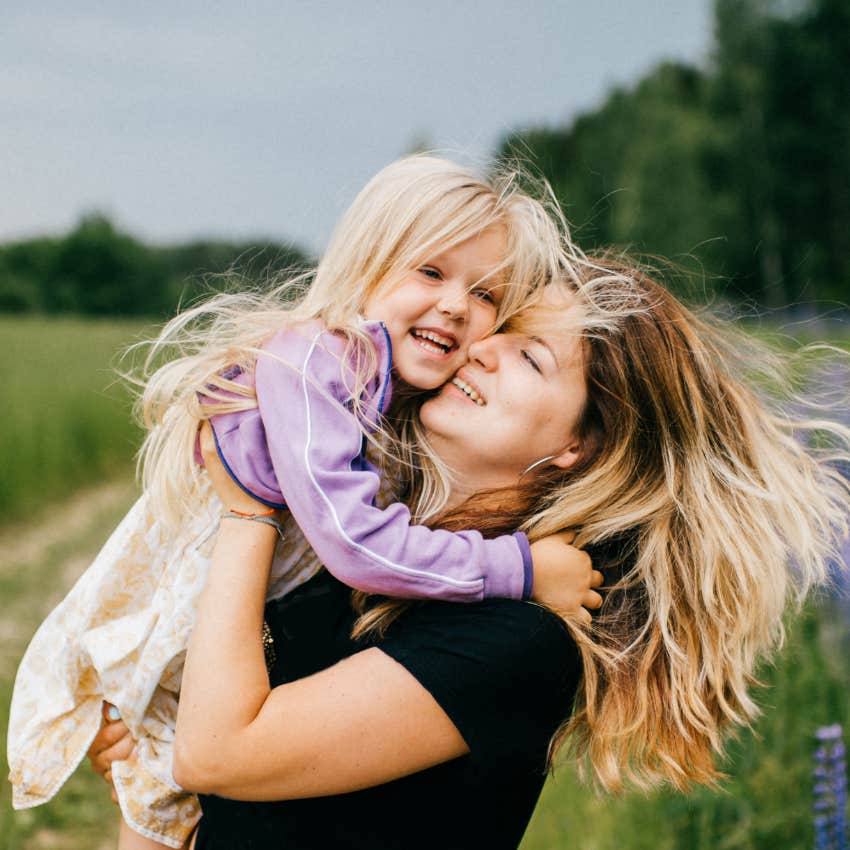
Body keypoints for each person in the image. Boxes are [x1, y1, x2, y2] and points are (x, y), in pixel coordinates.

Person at [89, 254, 850, 849]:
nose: (482, 353)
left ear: (578, 449)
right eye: (500, 334)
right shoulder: (370, 551)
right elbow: (208, 765)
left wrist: (249, 504)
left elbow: (220, 753)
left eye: (532, 360)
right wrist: (151, 733)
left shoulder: (520, 635)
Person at [7, 155, 600, 850]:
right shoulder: (317, 366)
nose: (456, 307)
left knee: (164, 789)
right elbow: (357, 545)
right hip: (198, 613)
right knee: (155, 776)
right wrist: (519, 567)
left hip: (229, 652)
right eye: (431, 272)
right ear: (367, 266)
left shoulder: (380, 399)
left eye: (486, 297)